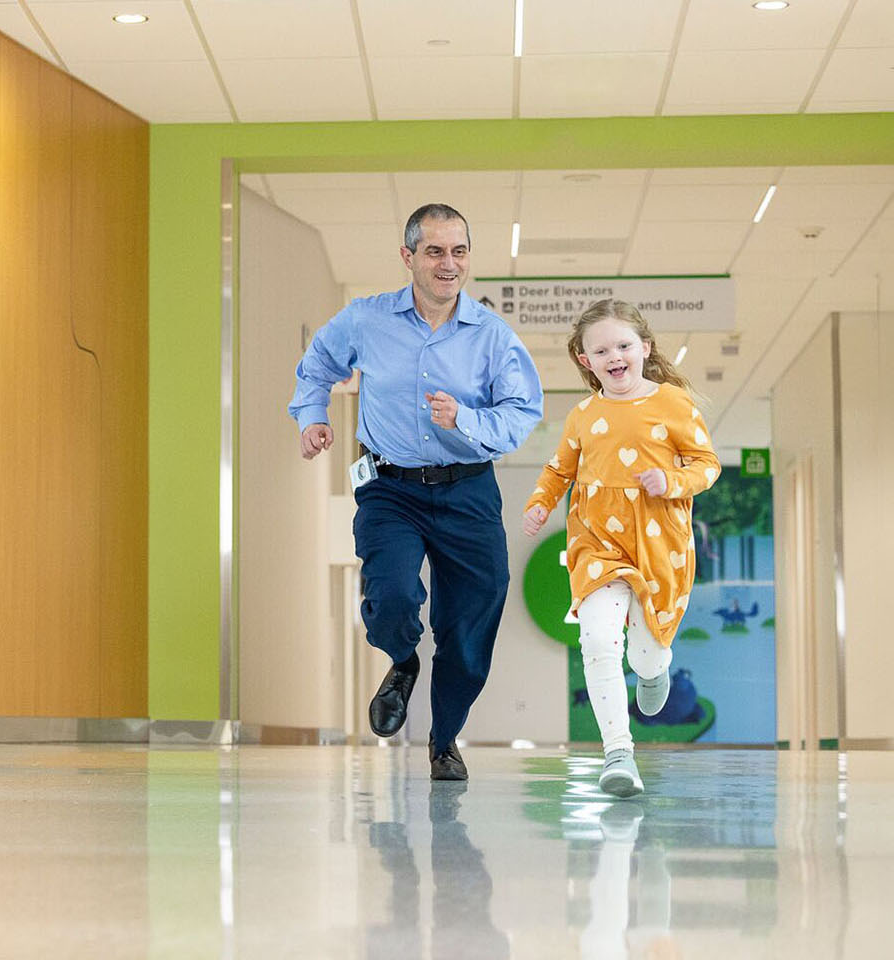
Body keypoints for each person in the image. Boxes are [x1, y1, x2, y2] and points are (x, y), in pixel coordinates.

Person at [290, 203, 543, 781]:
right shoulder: (366, 320)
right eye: (434, 251)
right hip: (391, 490)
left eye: (458, 251)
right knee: (396, 596)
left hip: (469, 490)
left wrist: (467, 421)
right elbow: (317, 366)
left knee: (473, 619)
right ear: (408, 257)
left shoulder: (492, 336)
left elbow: (523, 411)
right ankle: (402, 662)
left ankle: (445, 738)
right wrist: (312, 417)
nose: (447, 263)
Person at [523, 298, 720, 797]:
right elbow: (559, 469)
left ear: (645, 348)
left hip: (660, 545)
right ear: (585, 361)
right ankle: (617, 754)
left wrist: (670, 480)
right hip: (596, 542)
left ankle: (656, 669)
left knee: (645, 655)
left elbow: (706, 465)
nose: (615, 356)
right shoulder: (583, 415)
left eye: (624, 345)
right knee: (598, 642)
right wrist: (541, 503)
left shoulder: (674, 404)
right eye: (601, 349)